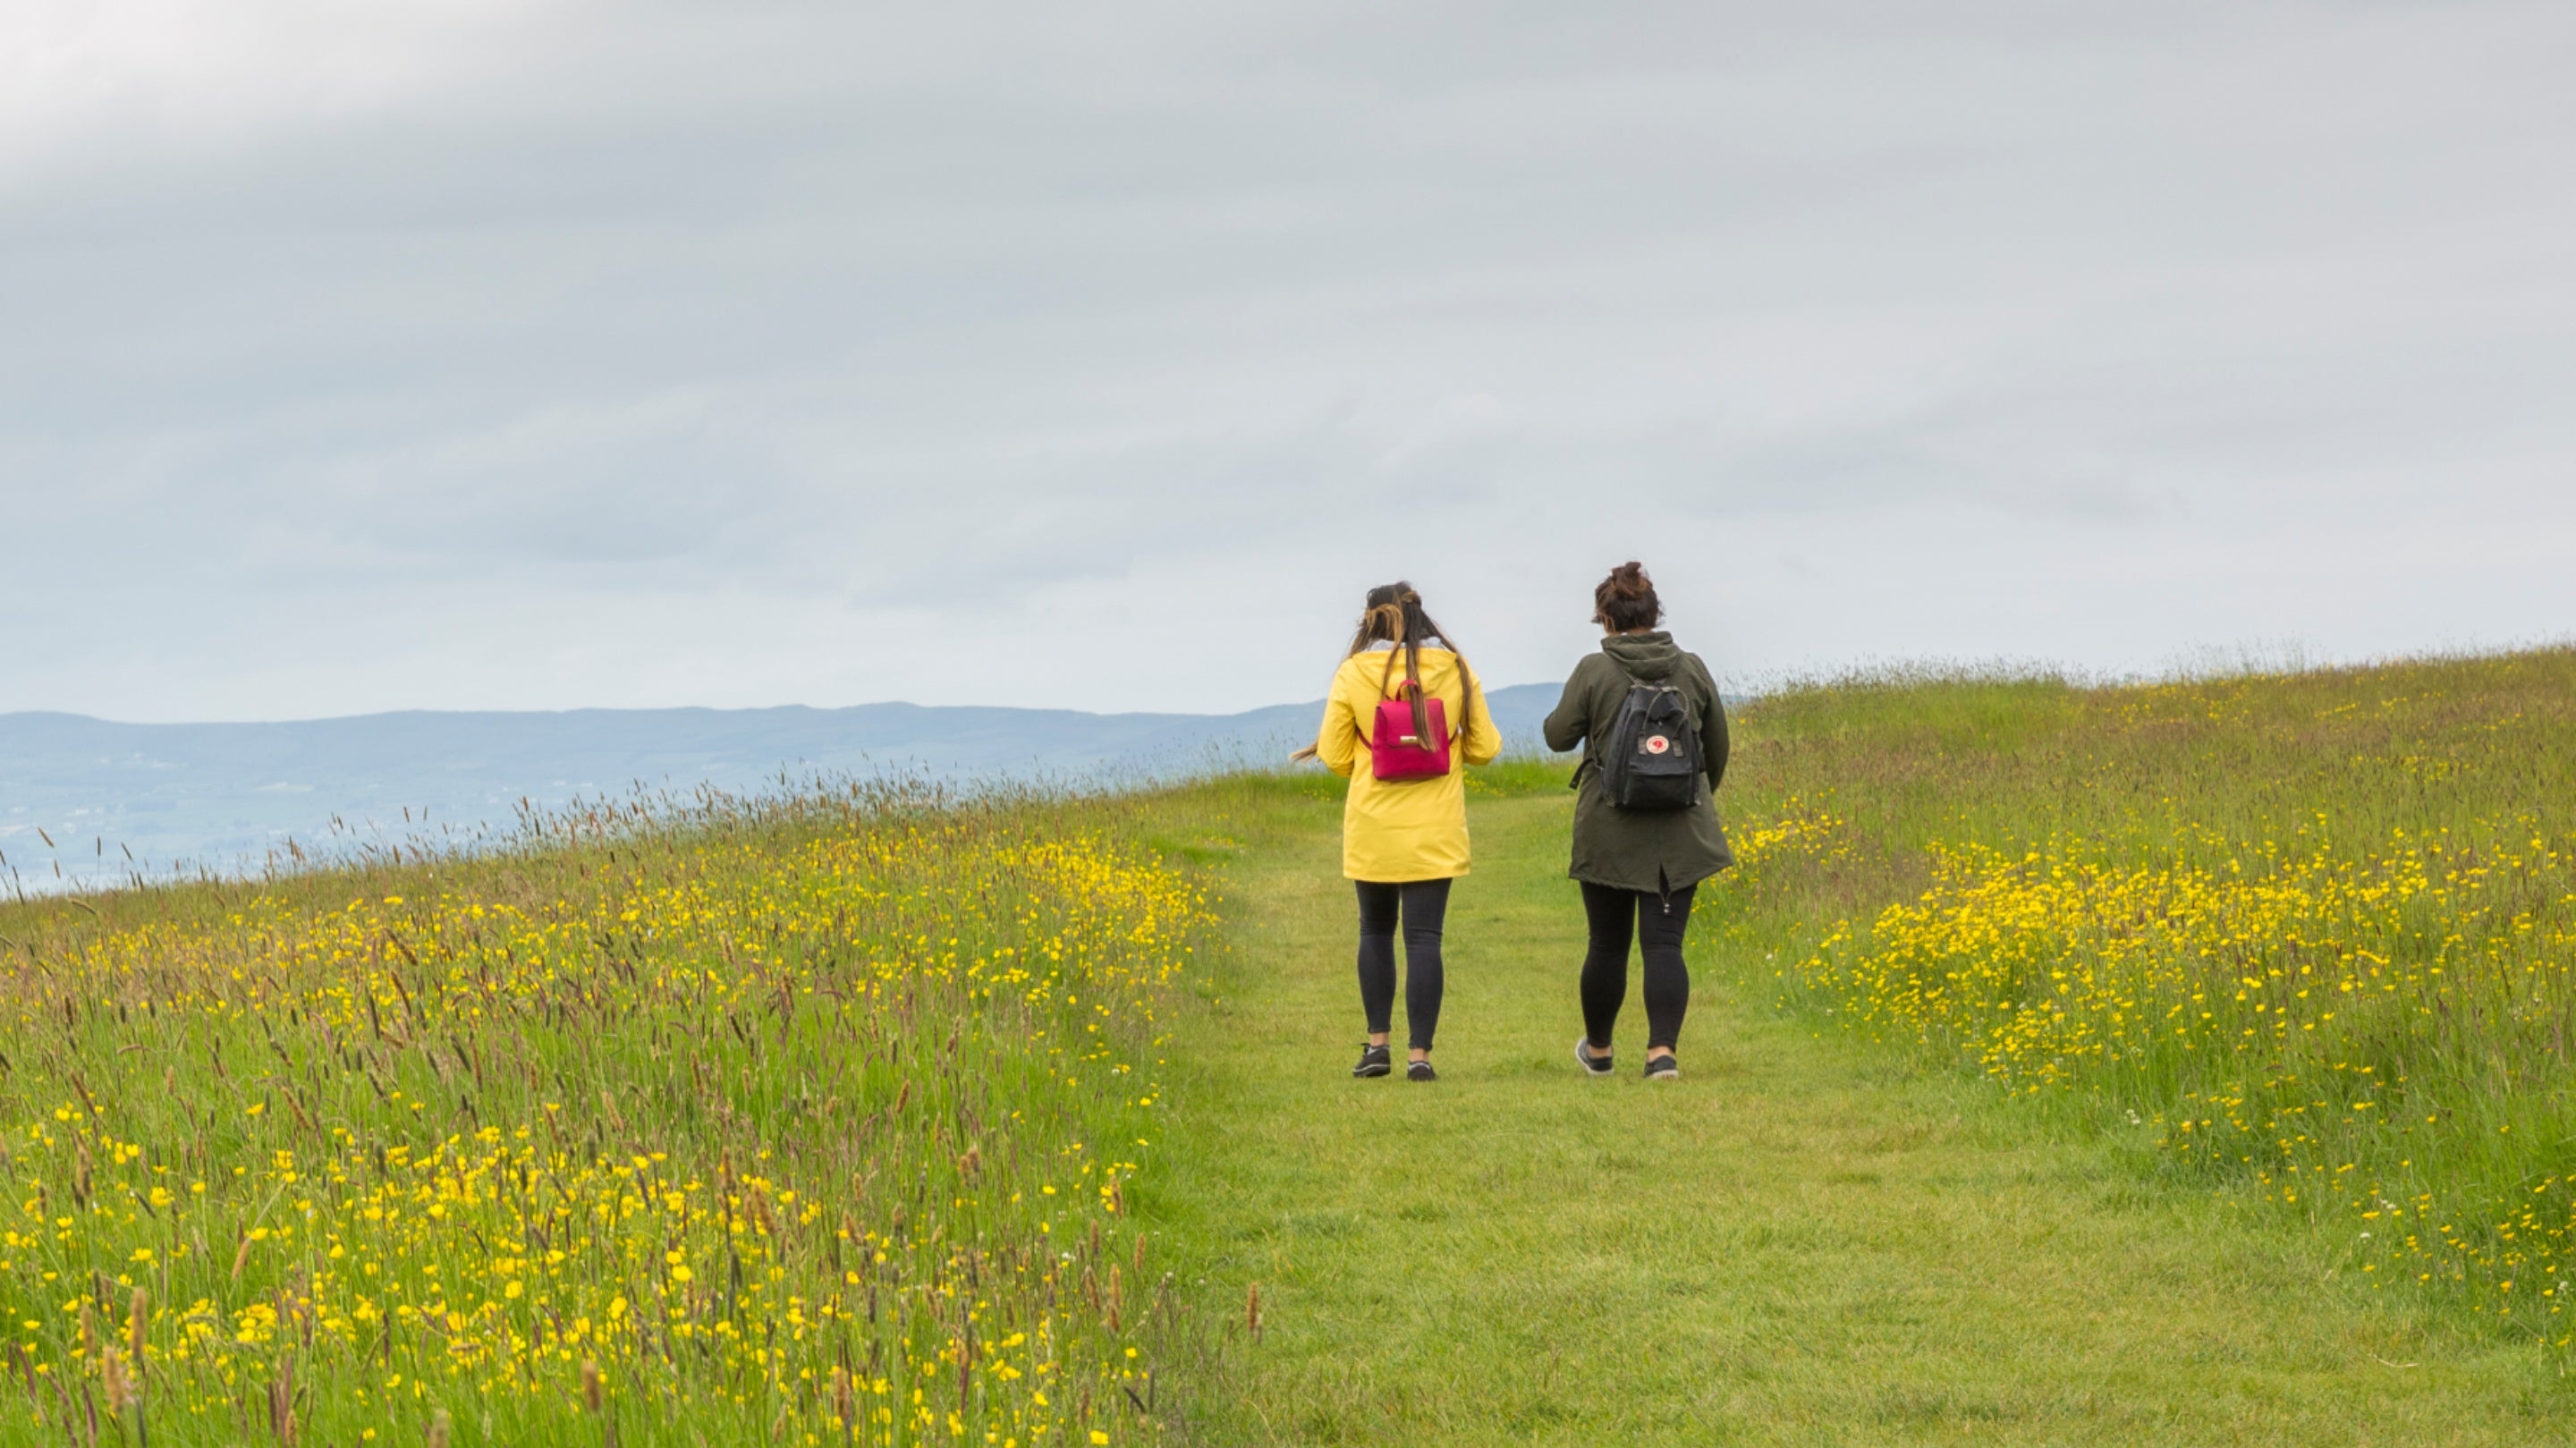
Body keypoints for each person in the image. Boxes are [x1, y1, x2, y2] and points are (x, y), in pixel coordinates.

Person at [1542, 562, 1732, 1080]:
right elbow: (1717, 750)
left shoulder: (1593, 670)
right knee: (1664, 945)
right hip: (1681, 832)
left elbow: (1558, 736)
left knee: (1606, 945)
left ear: (1605, 617)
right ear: (1655, 612)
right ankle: (1661, 1055)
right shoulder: (1691, 667)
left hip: (1608, 828)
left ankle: (1599, 1051)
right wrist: (1688, 798)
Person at [1306, 582, 1503, 1081]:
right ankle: (1421, 1057)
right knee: (1424, 940)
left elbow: (1332, 756)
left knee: (1374, 930)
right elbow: (1484, 748)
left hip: (1373, 825)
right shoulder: (1456, 668)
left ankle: (1377, 1047)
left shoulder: (1353, 673)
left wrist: (1375, 761)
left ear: (1370, 621)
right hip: (1435, 828)